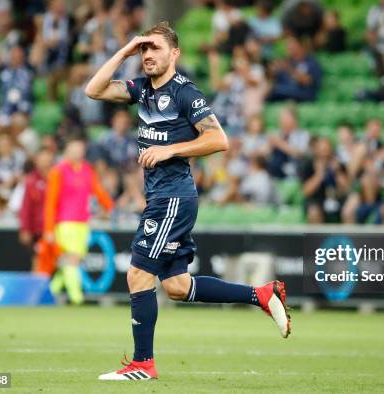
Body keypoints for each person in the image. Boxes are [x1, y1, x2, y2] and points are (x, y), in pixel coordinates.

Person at [85, 21, 291, 381]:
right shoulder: (142, 90)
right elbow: (93, 89)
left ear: (175, 54)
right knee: (178, 286)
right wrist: (125, 50)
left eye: (156, 49)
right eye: (144, 50)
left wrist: (170, 149)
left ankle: (142, 364)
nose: (149, 55)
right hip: (162, 197)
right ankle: (261, 294)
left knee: (137, 274)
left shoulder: (185, 93)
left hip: (172, 198)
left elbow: (218, 139)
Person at [44, 136, 114, 305]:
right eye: (74, 149)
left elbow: (98, 191)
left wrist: (110, 207)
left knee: (69, 262)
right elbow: (50, 202)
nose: (77, 152)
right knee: (72, 260)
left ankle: (48, 292)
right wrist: (48, 229)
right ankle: (77, 298)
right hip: (65, 223)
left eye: (80, 149)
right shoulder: (57, 171)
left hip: (83, 223)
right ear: (66, 151)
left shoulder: (87, 170)